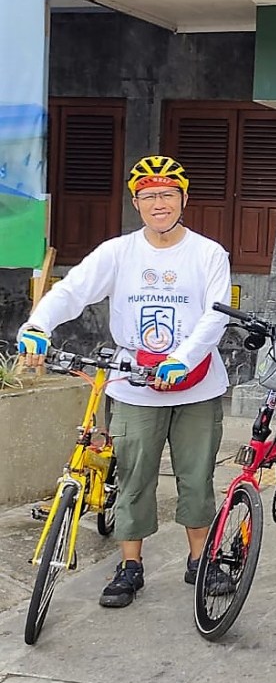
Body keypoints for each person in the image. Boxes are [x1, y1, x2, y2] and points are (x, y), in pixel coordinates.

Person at [17, 155, 233, 608]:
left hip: (197, 385)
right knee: (134, 478)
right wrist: (38, 324)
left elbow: (215, 316)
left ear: (184, 200)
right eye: (149, 196)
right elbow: (72, 290)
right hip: (134, 382)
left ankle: (201, 560)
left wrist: (182, 359)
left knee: (196, 477)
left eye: (168, 195)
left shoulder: (208, 253)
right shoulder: (117, 252)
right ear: (136, 203)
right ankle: (130, 566)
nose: (159, 204)